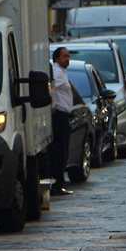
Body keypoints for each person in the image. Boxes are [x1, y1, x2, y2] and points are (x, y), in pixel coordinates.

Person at [49, 47, 74, 196]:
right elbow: (50, 89)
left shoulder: (61, 72)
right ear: (57, 58)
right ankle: (57, 184)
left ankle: (58, 183)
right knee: (60, 150)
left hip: (63, 114)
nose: (67, 59)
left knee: (61, 150)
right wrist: (52, 106)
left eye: (68, 56)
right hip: (59, 115)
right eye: (64, 56)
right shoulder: (57, 72)